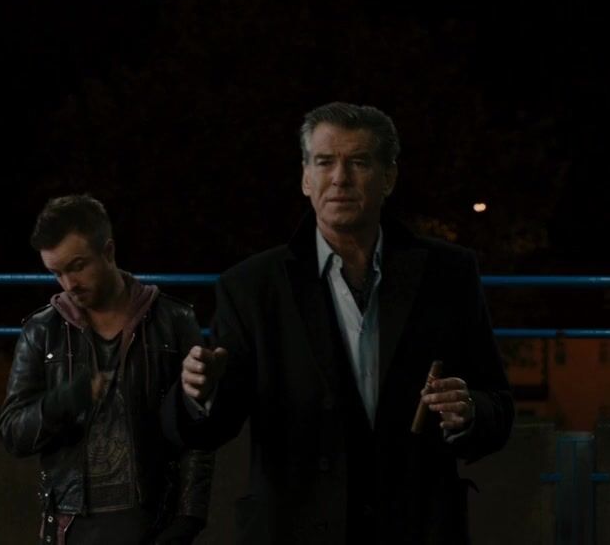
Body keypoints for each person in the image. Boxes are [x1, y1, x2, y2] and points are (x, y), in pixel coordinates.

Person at [164, 102, 515, 543]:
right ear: (305, 178)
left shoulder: (449, 274)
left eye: (359, 162)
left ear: (389, 177)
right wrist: (198, 395)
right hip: (294, 529)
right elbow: (211, 427)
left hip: (417, 526)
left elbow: (498, 404)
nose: (340, 178)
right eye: (325, 162)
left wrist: (469, 412)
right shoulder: (251, 286)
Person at [0, 195, 214, 545]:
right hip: (72, 525)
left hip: (155, 521)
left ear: (108, 251)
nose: (69, 283)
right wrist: (66, 400)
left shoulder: (173, 320)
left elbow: (198, 430)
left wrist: (188, 519)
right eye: (57, 273)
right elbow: (12, 433)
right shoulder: (42, 331)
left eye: (77, 266)